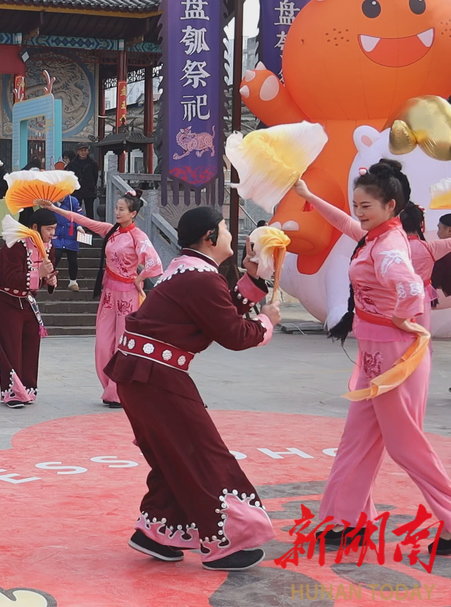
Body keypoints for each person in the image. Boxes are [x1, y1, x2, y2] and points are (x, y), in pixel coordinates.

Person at [106, 206, 281, 571]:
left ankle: (157, 531)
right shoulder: (200, 278)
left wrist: (253, 278)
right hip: (156, 376)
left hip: (142, 373)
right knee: (201, 454)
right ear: (209, 237)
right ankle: (226, 543)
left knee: (175, 454)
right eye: (225, 228)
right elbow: (233, 333)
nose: (231, 235)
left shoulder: (187, 270)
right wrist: (266, 322)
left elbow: (219, 310)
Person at [293, 162, 451, 555]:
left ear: (390, 205)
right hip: (375, 353)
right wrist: (310, 197)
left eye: (366, 206)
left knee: (405, 445)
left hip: (395, 355)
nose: (359, 213)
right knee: (357, 439)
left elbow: (409, 288)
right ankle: (347, 521)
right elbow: (345, 223)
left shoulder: (390, 246)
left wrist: (401, 318)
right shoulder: (376, 236)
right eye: (357, 205)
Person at [46, 189, 162, 408]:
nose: (117, 212)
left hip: (128, 295)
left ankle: (118, 392)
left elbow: (155, 263)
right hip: (109, 294)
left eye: (122, 209)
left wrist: (139, 278)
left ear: (133, 213)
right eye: (116, 208)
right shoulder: (111, 231)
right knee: (103, 344)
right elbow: (84, 220)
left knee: (122, 344)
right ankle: (110, 387)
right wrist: (54, 208)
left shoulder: (138, 236)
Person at [0, 207, 58, 409]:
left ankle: (27, 388)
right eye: (49, 229)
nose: (52, 233)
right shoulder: (15, 244)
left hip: (26, 299)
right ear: (35, 227)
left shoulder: (49, 247)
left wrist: (50, 280)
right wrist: (38, 273)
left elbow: (45, 276)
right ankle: (12, 392)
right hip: (3, 299)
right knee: (11, 346)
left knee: (31, 341)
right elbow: (10, 277)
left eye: (54, 229)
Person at [399, 202, 451, 331]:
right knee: (420, 335)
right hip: (421, 298)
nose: (438, 232)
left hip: (395, 297)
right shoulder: (431, 248)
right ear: (421, 224)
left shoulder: (389, 246)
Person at [50, 194, 86, 291]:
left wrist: (79, 226)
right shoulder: (50, 202)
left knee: (73, 260)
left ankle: (73, 281)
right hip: (56, 234)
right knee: (55, 256)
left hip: (71, 234)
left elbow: (79, 215)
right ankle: (49, 278)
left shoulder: (72, 201)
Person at [68, 142, 100, 218]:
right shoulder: (73, 163)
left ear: (88, 151)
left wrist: (92, 186)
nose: (83, 152)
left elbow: (95, 176)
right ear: (77, 151)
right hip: (77, 189)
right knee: (76, 209)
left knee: (90, 211)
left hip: (89, 189)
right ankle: (76, 223)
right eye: (81, 150)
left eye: (85, 150)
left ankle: (90, 225)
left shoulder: (92, 163)